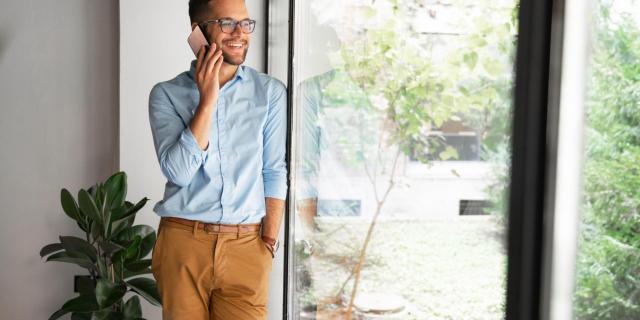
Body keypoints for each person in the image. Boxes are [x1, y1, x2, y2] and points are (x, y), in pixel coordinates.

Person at [147, 0, 288, 318]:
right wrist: (208, 99)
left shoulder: (270, 93)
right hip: (183, 243)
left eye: (245, 23)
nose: (240, 33)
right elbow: (179, 172)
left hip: (247, 245)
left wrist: (268, 241)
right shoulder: (166, 94)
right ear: (197, 32)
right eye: (227, 23)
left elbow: (274, 170)